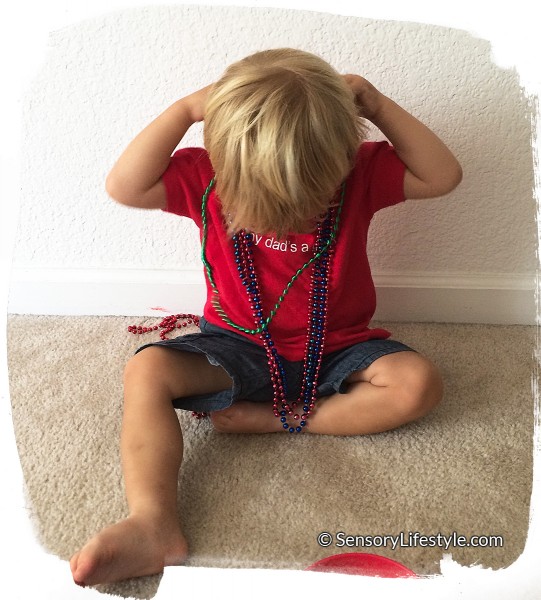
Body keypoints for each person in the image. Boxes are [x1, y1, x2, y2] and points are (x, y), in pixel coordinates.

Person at [70, 48, 462, 586]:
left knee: (419, 385)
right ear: (222, 163)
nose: (293, 209)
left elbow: (442, 176)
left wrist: (374, 102)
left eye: (310, 195)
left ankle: (284, 417)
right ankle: (153, 522)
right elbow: (124, 186)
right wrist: (185, 110)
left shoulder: (360, 174)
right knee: (145, 371)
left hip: (340, 346)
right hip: (237, 345)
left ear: (345, 158)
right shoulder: (203, 178)